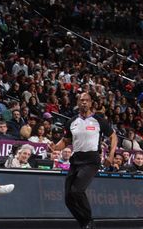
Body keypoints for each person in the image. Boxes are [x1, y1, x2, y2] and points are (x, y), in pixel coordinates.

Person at [48, 92, 116, 229]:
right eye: (81, 100)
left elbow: (113, 136)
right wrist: (55, 147)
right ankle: (84, 223)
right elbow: (66, 141)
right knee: (68, 198)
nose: (84, 102)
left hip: (91, 160)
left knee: (77, 191)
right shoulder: (72, 122)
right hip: (76, 159)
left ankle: (89, 222)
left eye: (86, 100)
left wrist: (111, 155)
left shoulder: (99, 120)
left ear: (91, 103)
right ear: (78, 103)